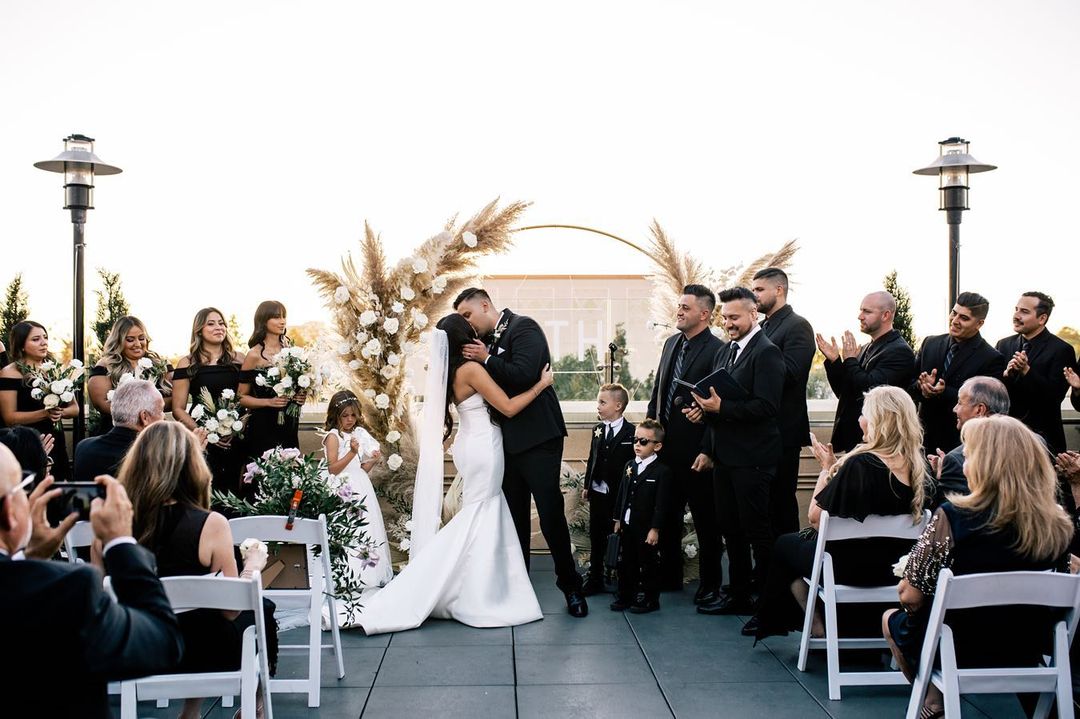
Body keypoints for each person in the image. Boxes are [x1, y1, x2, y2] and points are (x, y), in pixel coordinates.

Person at [357, 314, 551, 634]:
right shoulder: (471, 369)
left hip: (470, 445)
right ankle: (474, 593)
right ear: (465, 337)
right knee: (481, 513)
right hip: (484, 448)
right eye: (473, 333)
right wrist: (541, 385)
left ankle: (476, 586)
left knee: (480, 512)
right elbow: (507, 407)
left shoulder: (450, 373)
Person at [884, 415, 1073, 719]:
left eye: (970, 455)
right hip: (1028, 645)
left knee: (891, 620)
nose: (965, 463)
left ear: (986, 464)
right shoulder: (1058, 522)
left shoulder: (953, 515)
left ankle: (935, 702)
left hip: (960, 645)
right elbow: (1062, 586)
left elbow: (909, 595)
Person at [0, 445, 183, 719]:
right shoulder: (66, 590)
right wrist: (120, 543)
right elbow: (162, 642)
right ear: (9, 511)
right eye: (23, 487)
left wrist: (28, 558)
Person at [107, 421, 275, 719]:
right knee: (261, 608)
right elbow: (230, 611)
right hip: (206, 652)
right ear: (191, 466)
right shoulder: (210, 524)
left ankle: (191, 711)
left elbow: (101, 599)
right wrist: (252, 566)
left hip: (137, 649)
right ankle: (257, 705)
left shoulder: (110, 524)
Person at [746, 385, 929, 639]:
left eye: (864, 414)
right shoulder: (922, 466)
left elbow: (816, 519)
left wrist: (826, 470)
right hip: (896, 570)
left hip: (847, 569)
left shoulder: (860, 464)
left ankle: (816, 625)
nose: (859, 419)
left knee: (784, 545)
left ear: (877, 420)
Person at [456, 287, 587, 617]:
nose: (467, 324)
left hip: (539, 437)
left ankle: (570, 586)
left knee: (549, 511)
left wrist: (486, 358)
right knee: (512, 516)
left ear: (485, 305)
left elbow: (526, 374)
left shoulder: (524, 328)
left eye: (468, 315)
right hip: (504, 442)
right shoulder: (480, 348)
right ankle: (518, 588)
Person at [688, 286, 784, 616]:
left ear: (753, 314)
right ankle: (739, 595)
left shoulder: (767, 352)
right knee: (730, 529)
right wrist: (705, 416)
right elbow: (718, 405)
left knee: (757, 532)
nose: (728, 323)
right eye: (725, 317)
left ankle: (772, 605)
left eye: (734, 317)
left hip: (754, 458)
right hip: (725, 457)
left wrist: (722, 406)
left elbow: (767, 407)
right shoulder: (726, 351)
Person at [646, 284, 725, 602]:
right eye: (678, 306)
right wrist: (652, 434)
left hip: (696, 452)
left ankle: (710, 584)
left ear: (704, 314)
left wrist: (708, 448)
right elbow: (658, 392)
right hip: (666, 449)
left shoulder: (718, 350)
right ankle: (669, 578)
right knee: (665, 513)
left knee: (707, 520)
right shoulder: (669, 344)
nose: (678, 312)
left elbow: (720, 405)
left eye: (686, 308)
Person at [752, 267, 815, 536]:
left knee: (781, 504)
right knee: (760, 507)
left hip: (782, 431)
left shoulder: (797, 326)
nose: (754, 296)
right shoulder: (762, 326)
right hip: (758, 430)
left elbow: (792, 373)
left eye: (759, 290)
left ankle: (786, 573)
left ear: (779, 290)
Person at [321, 389, 393, 612]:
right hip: (341, 487)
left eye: (353, 415)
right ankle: (344, 577)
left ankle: (366, 574)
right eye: (345, 415)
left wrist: (372, 460)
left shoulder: (358, 433)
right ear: (336, 415)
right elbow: (333, 469)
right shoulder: (333, 436)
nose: (350, 420)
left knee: (365, 530)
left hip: (360, 484)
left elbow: (360, 467)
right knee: (346, 529)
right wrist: (352, 453)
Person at [818, 291, 916, 453]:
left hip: (879, 442)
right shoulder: (865, 348)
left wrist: (850, 361)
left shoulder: (899, 351)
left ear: (886, 315)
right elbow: (845, 392)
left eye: (867, 311)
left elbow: (869, 391)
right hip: (855, 440)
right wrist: (835, 362)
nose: (860, 316)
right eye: (861, 310)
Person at [910, 292, 1005, 455]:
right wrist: (922, 386)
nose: (955, 321)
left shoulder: (992, 358)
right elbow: (909, 385)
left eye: (964, 318)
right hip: (922, 441)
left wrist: (943, 392)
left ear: (979, 323)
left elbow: (985, 405)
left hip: (961, 445)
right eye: (954, 313)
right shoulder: (930, 343)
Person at [172, 307, 247, 497]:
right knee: (206, 492)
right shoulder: (187, 363)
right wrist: (205, 434)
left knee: (237, 493)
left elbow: (248, 399)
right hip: (203, 441)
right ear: (199, 330)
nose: (219, 327)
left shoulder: (240, 359)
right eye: (211, 324)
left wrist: (240, 426)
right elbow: (178, 409)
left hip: (237, 440)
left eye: (221, 323)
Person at [996, 292, 1076, 454]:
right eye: (1016, 309)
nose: (1016, 316)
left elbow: (1053, 398)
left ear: (1042, 319)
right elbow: (996, 393)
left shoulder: (1062, 350)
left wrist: (1026, 371)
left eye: (1024, 312)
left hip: (1044, 442)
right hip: (1007, 438)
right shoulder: (1003, 344)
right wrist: (1006, 376)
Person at [0, 320, 75, 480]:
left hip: (56, 439)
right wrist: (44, 414)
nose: (44, 343)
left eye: (45, 337)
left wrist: (60, 412)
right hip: (27, 443)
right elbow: (9, 418)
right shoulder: (9, 373)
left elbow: (75, 409)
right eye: (36, 339)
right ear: (21, 345)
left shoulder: (54, 370)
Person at [611, 418, 672, 614]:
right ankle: (626, 595)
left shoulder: (662, 472)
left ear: (657, 446)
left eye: (644, 442)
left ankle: (650, 598)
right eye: (636, 440)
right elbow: (622, 494)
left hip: (646, 528)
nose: (637, 444)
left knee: (647, 564)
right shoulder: (630, 466)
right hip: (628, 523)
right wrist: (618, 519)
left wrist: (655, 529)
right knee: (626, 562)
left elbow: (662, 504)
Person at [581, 382, 635, 595]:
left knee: (620, 536)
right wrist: (587, 485)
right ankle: (595, 577)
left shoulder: (631, 432)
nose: (598, 406)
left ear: (618, 405)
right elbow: (592, 457)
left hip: (618, 495)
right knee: (596, 535)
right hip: (597, 493)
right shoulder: (598, 429)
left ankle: (623, 578)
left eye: (602, 402)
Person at [239, 301, 304, 479]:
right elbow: (241, 397)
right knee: (264, 476)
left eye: (284, 316)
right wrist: (269, 401)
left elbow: (298, 385)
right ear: (263, 320)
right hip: (263, 425)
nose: (282, 321)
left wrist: (300, 396)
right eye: (276, 317)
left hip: (289, 422)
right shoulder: (253, 355)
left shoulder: (292, 351)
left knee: (291, 475)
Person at [928, 375, 1010, 503]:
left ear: (979, 410)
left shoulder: (956, 460)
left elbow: (950, 515)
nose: (954, 409)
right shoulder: (1035, 444)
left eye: (960, 402)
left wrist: (941, 477)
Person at [86, 316, 172, 436]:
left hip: (155, 434)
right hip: (118, 434)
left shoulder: (160, 364)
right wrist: (142, 411)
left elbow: (175, 399)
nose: (137, 344)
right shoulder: (106, 365)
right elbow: (101, 404)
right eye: (130, 339)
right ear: (118, 341)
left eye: (141, 338)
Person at [74, 378, 166, 482]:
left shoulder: (84, 447)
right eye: (161, 410)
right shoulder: (151, 456)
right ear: (144, 417)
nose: (164, 417)